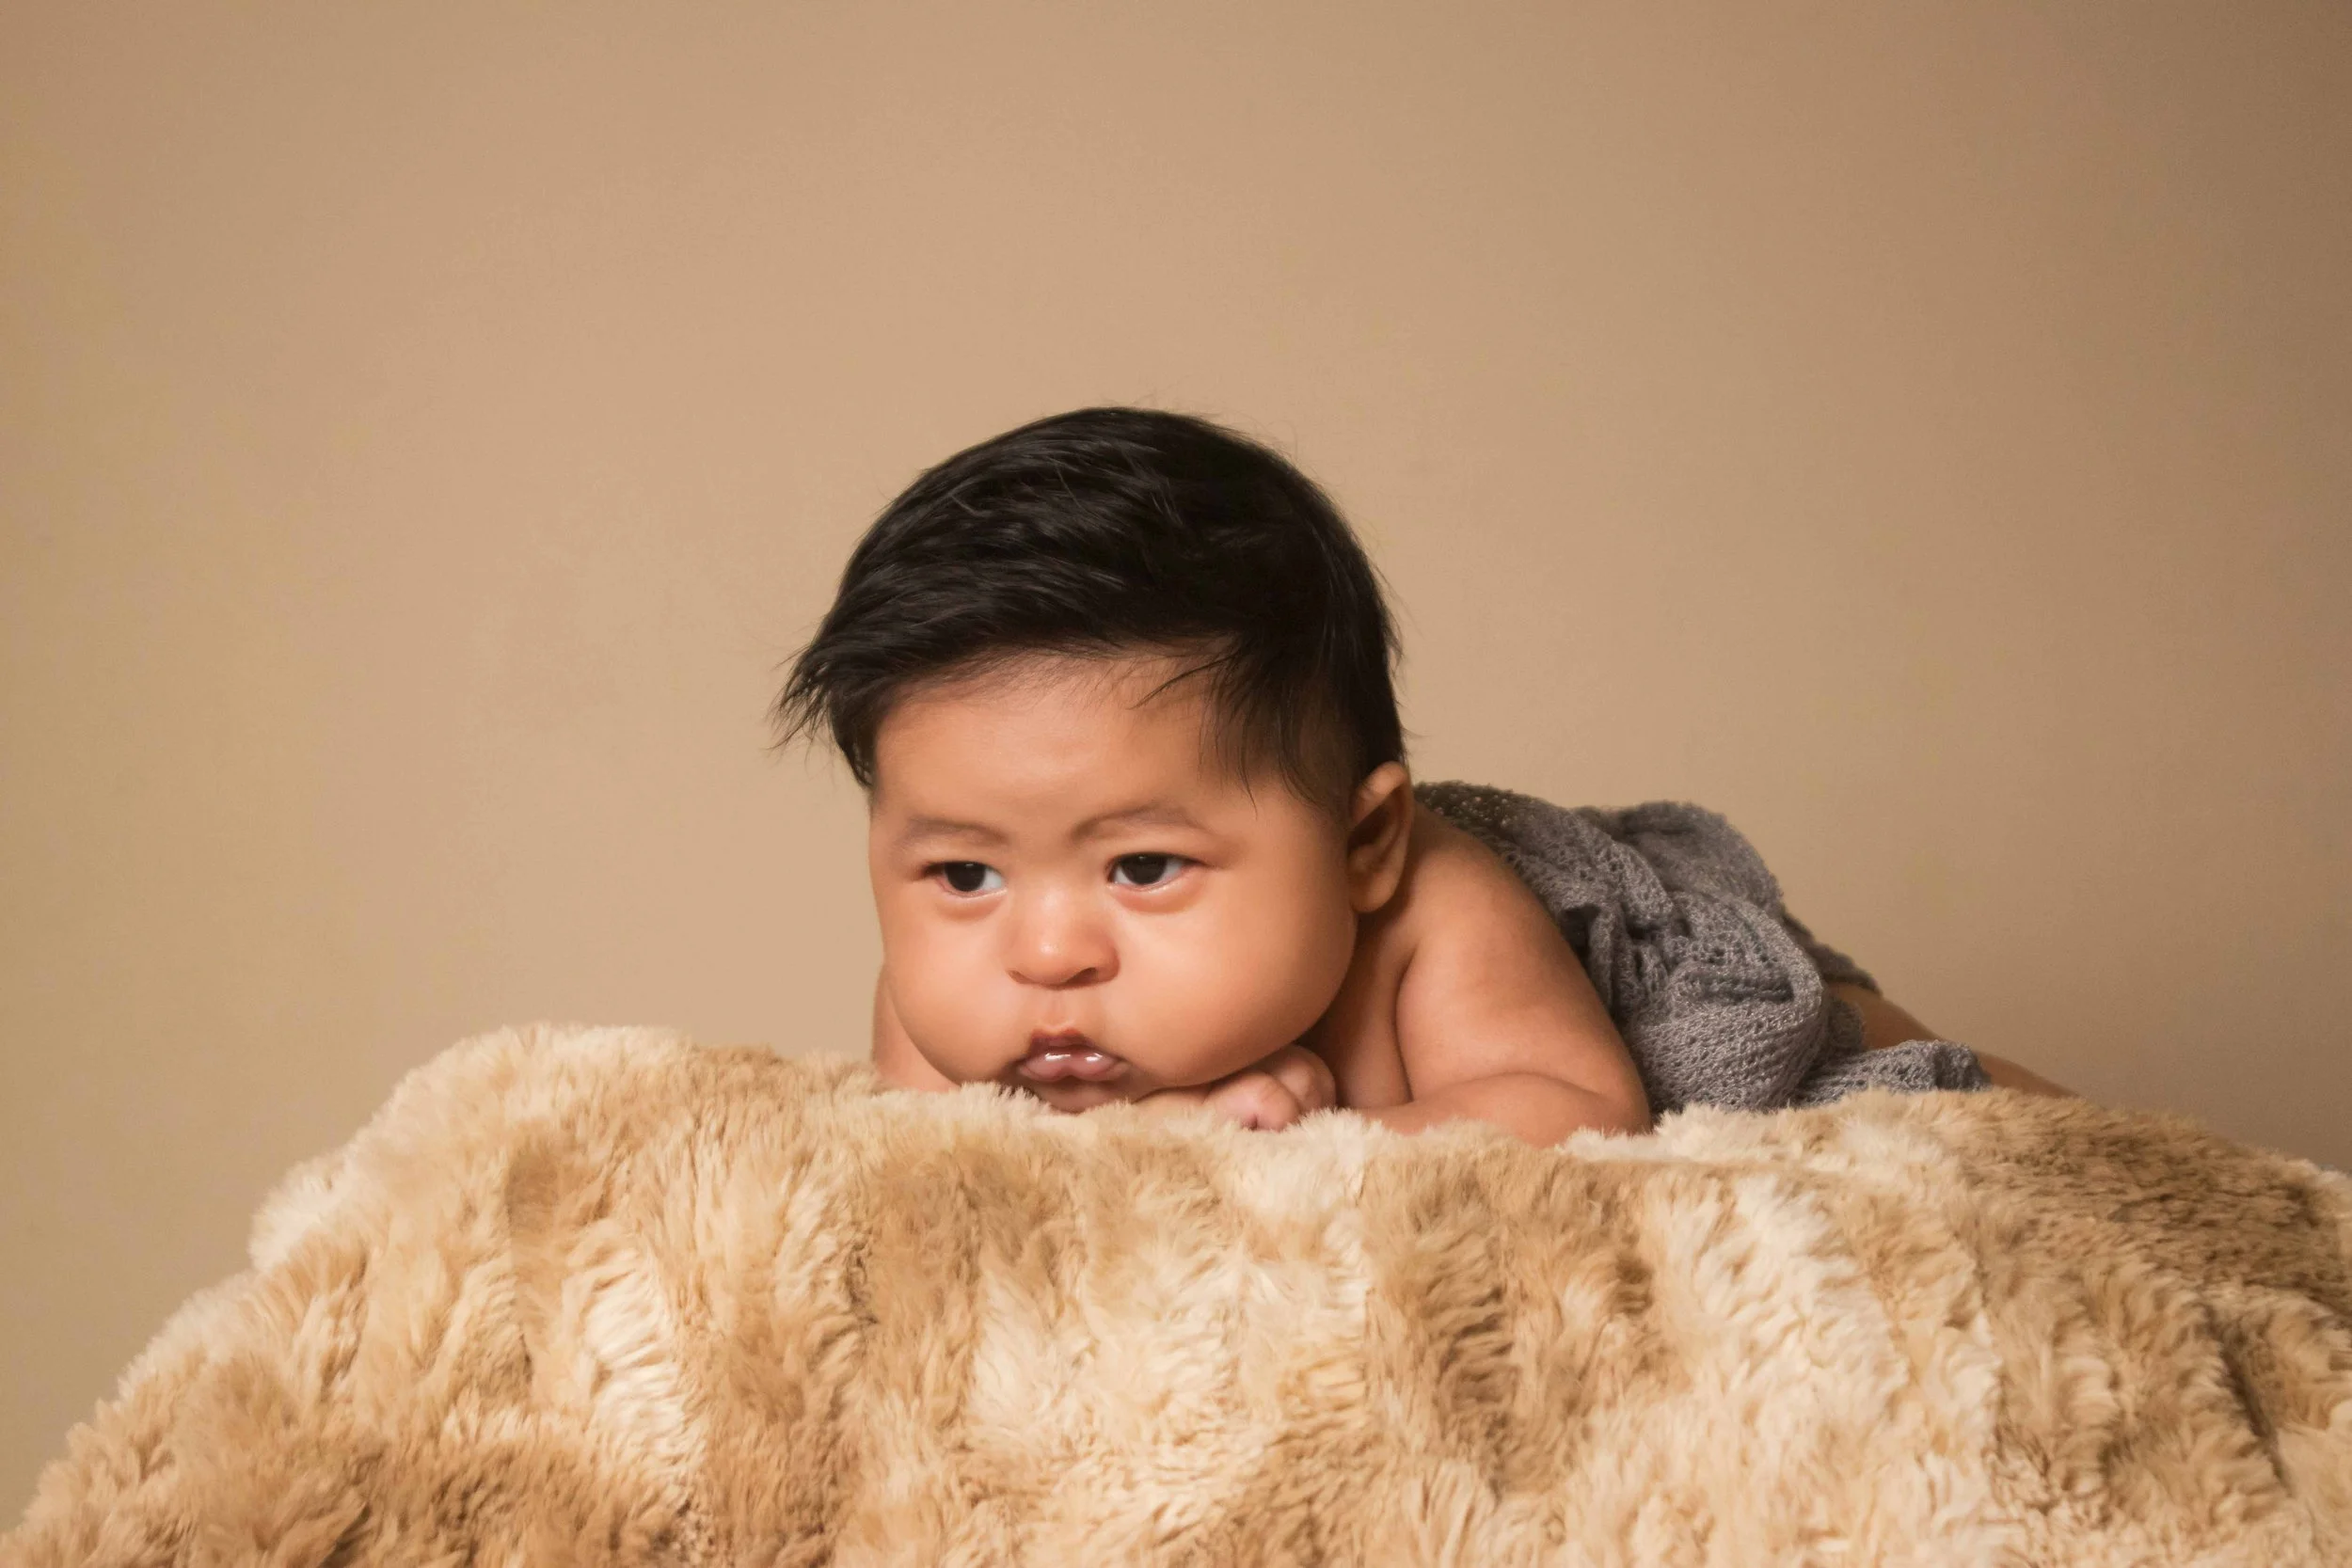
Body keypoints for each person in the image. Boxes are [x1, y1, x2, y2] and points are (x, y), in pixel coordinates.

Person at [775, 407, 2063, 1145]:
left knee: (1900, 1075)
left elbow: (1578, 1101)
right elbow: (954, 1179)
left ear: (1361, 840)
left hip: (1634, 966)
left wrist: (1314, 1151)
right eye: (962, 870)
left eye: (1144, 865)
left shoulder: (1432, 908)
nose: (1043, 951)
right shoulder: (943, 1006)